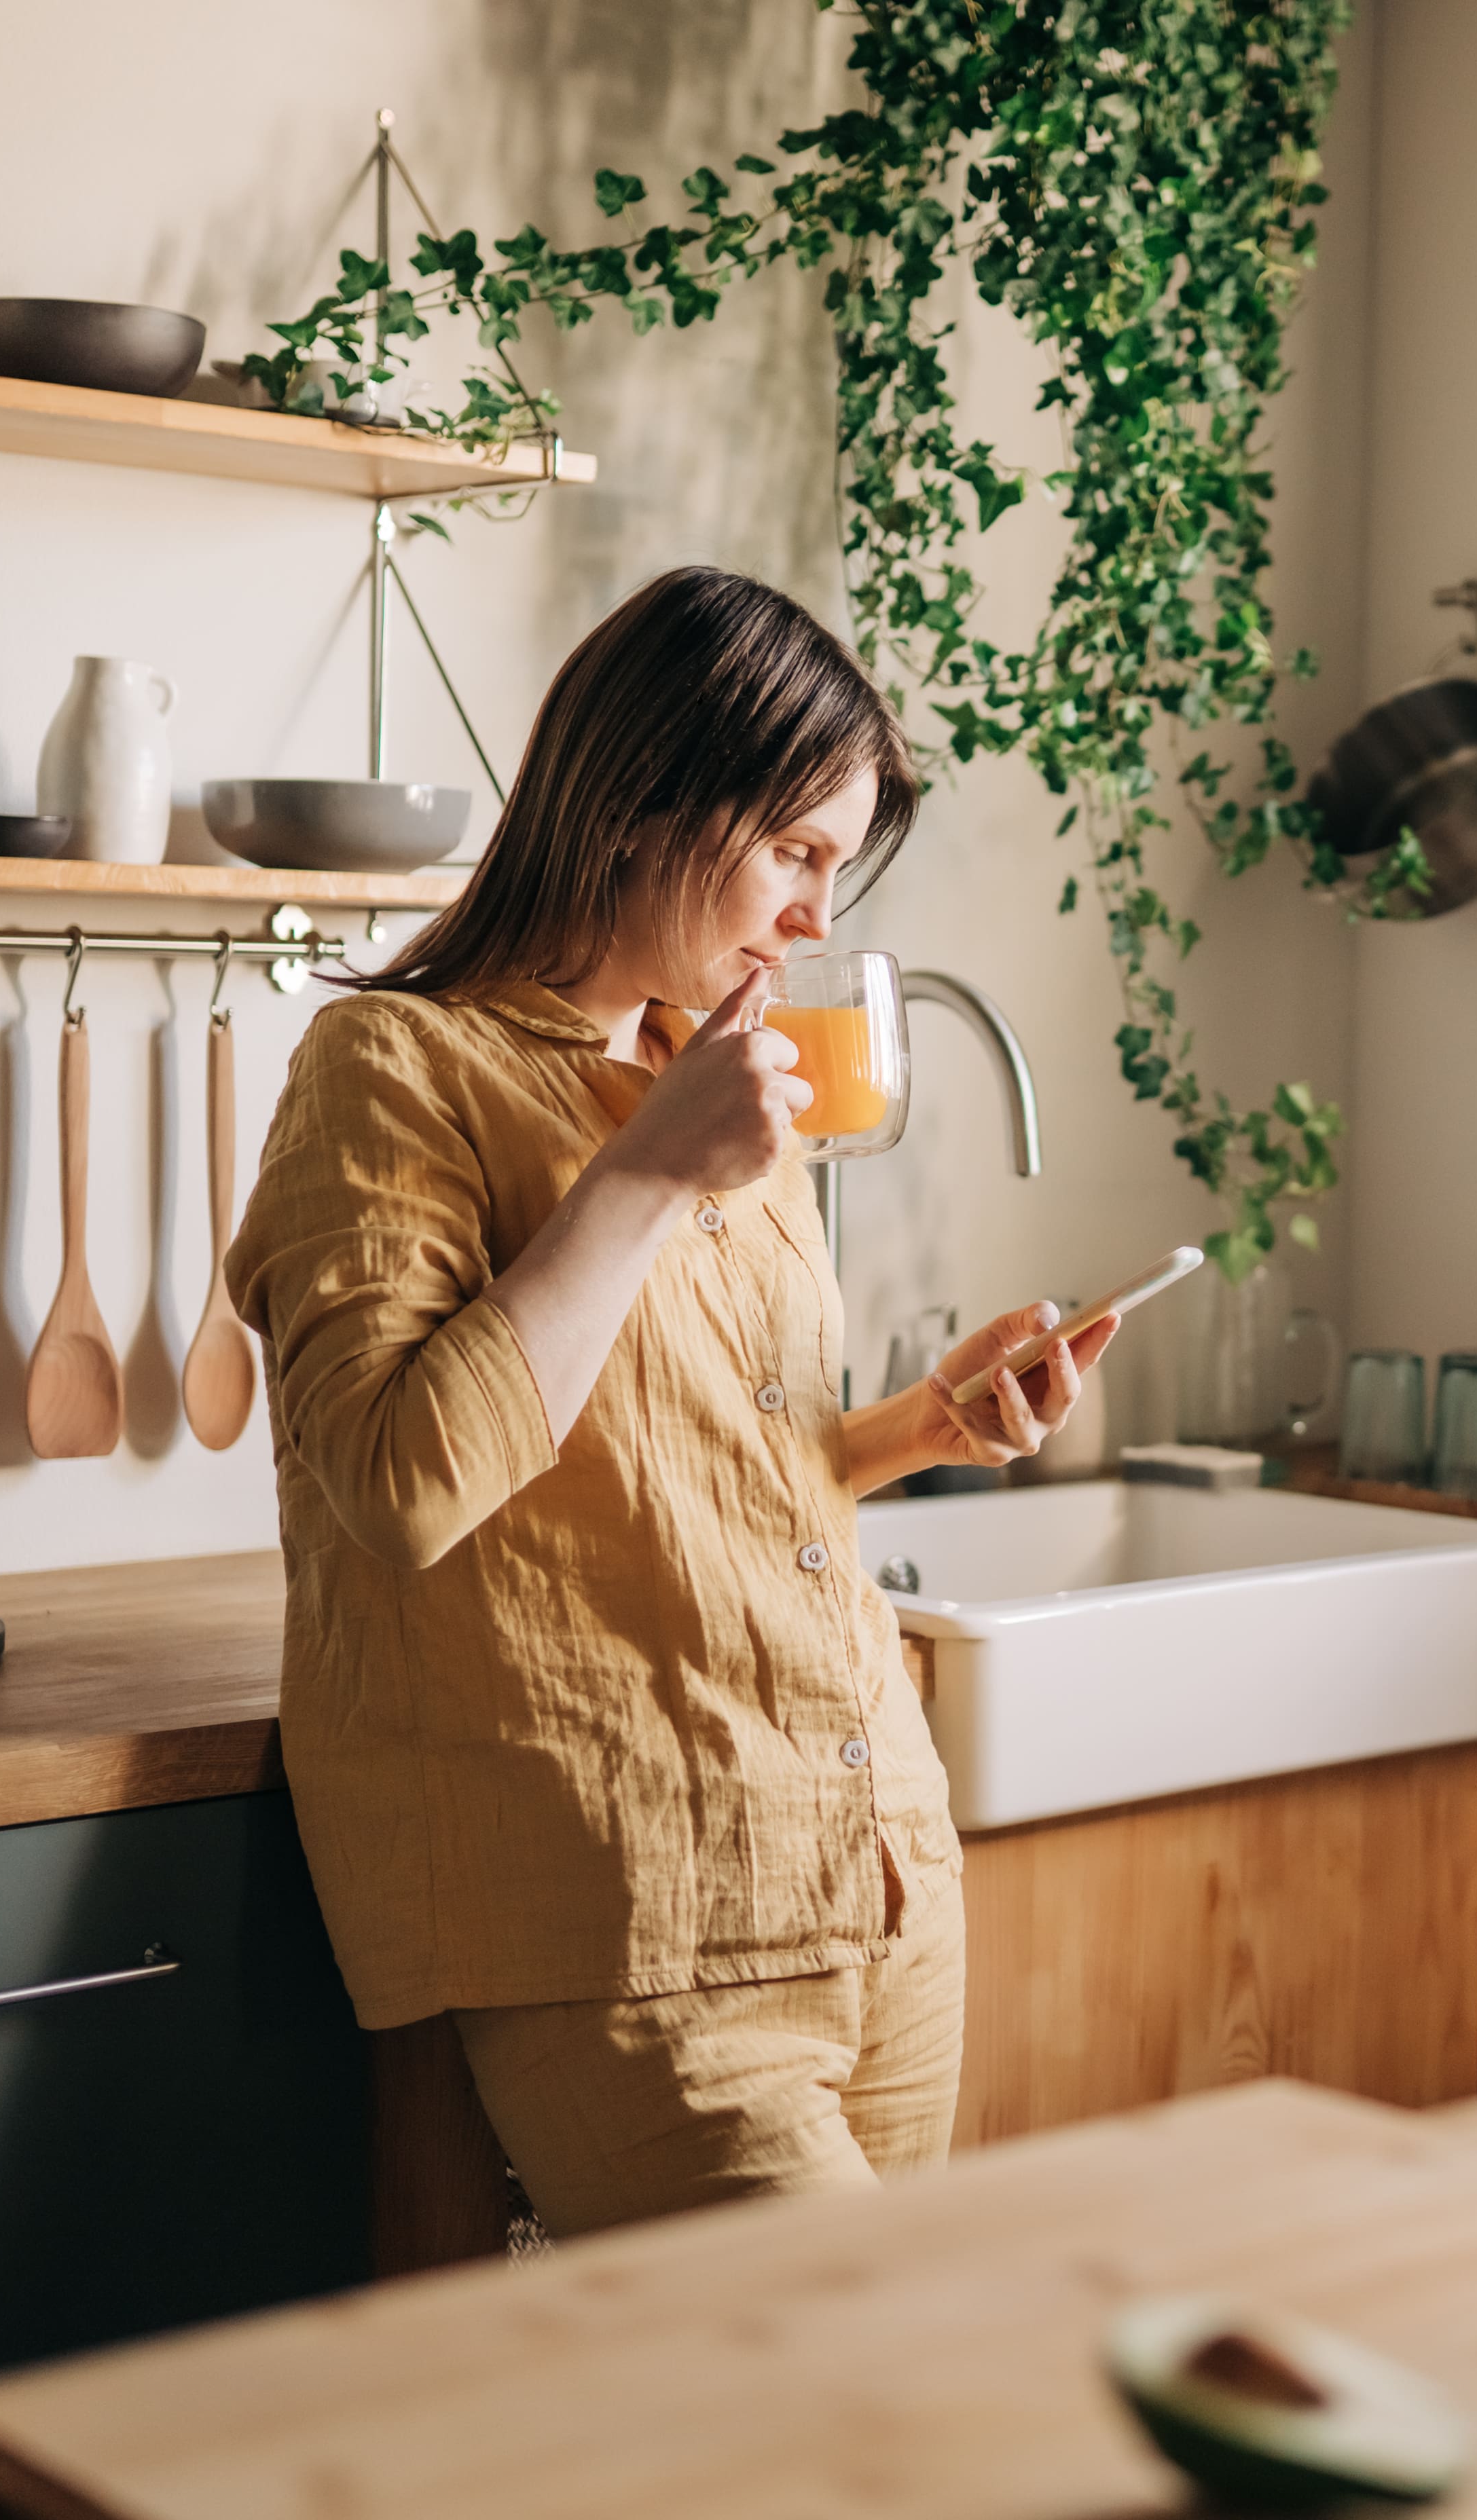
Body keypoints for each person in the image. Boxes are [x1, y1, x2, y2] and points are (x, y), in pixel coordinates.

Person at [225, 566, 1110, 2235]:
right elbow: (403, 1482)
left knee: (840, 2467)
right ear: (640, 805)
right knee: (846, 2400)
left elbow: (698, 1474)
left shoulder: (708, 1084)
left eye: (838, 868)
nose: (816, 917)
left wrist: (930, 1424)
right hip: (632, 1903)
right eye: (795, 852)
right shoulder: (391, 1071)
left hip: (873, 1865)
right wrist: (640, 1176)